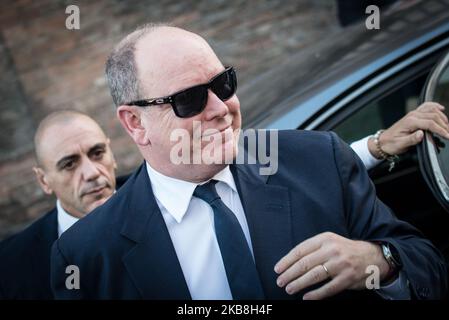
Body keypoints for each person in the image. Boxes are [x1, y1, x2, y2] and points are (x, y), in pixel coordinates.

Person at [51, 24, 447, 300]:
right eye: (189, 99)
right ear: (135, 123)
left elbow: (429, 265)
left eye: (223, 84)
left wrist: (380, 261)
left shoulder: (318, 159)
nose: (221, 108)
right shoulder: (88, 254)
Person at [0, 111, 123, 299]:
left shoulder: (162, 196)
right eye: (69, 164)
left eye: (97, 153)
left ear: (112, 155)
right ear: (44, 181)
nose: (91, 173)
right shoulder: (10, 265)